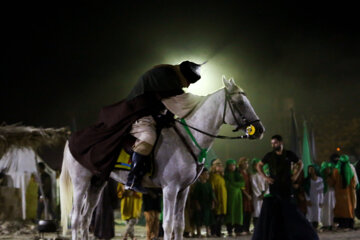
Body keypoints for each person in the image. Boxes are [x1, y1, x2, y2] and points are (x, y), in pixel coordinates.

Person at [68, 61, 203, 193]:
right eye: (189, 82)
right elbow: (178, 100)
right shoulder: (166, 78)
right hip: (138, 116)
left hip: (151, 116)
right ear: (184, 76)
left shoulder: (169, 78)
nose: (188, 86)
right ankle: (133, 179)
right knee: (148, 137)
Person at [252, 134, 319, 240]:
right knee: (274, 212)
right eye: (272, 143)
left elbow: (300, 163)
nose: (274, 145)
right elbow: (258, 165)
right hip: (274, 187)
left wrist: (296, 175)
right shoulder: (269, 155)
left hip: (287, 187)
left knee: (290, 211)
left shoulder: (289, 154)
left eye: (275, 143)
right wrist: (265, 177)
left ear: (281, 143)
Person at [333, 154, 356, 229]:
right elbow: (354, 182)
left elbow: (333, 181)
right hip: (349, 194)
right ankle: (349, 223)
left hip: (340, 194)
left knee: (341, 209)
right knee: (349, 208)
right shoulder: (350, 169)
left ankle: (342, 224)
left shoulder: (336, 170)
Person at [224, 159, 244, 237]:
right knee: (230, 212)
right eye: (231, 165)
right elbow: (227, 185)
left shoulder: (238, 174)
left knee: (238, 212)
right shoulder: (225, 175)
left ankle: (238, 230)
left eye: (234, 165)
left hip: (238, 197)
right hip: (229, 197)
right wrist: (236, 186)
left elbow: (242, 183)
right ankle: (229, 230)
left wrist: (233, 184)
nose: (232, 167)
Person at [192, 168, 215, 237]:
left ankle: (208, 232)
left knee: (207, 219)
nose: (207, 175)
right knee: (199, 219)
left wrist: (213, 203)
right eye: (205, 174)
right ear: (200, 175)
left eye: (208, 174)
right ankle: (199, 233)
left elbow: (211, 195)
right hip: (200, 204)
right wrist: (197, 204)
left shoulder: (209, 184)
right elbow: (195, 196)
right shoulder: (198, 185)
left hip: (207, 204)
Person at [209, 159, 227, 237]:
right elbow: (212, 189)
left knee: (221, 217)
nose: (220, 166)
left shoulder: (221, 176)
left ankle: (218, 231)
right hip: (217, 200)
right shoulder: (212, 176)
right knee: (216, 217)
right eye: (217, 165)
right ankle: (215, 232)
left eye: (220, 165)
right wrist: (214, 199)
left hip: (223, 200)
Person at [250, 158, 269, 227]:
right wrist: (259, 194)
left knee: (264, 211)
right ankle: (256, 227)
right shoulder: (253, 175)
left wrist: (265, 193)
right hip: (257, 196)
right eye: (256, 165)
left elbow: (267, 185)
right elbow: (254, 186)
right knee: (257, 211)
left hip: (264, 195)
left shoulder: (264, 175)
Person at [304, 165, 324, 230]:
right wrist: (307, 199)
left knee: (317, 212)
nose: (311, 171)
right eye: (309, 169)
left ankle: (316, 225)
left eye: (312, 169)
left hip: (318, 198)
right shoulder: (307, 180)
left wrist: (321, 201)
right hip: (310, 197)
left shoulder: (320, 179)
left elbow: (321, 191)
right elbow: (306, 190)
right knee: (310, 212)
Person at [238, 157, 253, 235]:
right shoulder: (240, 173)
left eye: (247, 163)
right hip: (243, 195)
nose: (246, 164)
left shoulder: (248, 173)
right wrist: (247, 195)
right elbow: (241, 186)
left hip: (249, 194)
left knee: (248, 212)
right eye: (245, 163)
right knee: (243, 212)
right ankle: (242, 229)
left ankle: (247, 229)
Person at [320, 161, 336, 231]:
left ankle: (332, 223)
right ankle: (326, 224)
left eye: (329, 169)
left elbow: (333, 184)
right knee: (325, 209)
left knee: (332, 208)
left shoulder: (332, 176)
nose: (328, 170)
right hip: (325, 194)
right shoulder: (322, 177)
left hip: (332, 194)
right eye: (326, 169)